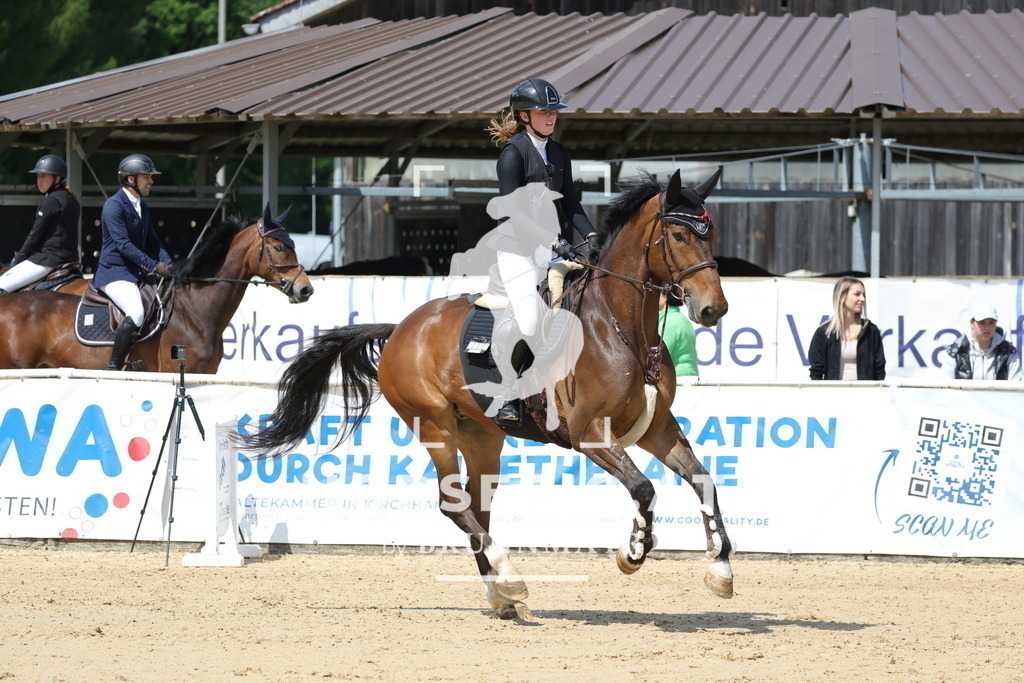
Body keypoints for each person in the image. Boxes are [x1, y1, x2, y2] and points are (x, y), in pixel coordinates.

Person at [483, 77, 598, 425]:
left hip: (551, 250)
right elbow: (511, 212)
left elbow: (571, 201)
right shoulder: (512, 154)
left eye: (554, 112)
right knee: (531, 317)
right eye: (543, 112)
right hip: (516, 251)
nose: (551, 117)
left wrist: (592, 235)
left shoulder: (560, 152)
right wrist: (553, 241)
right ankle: (505, 391)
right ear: (523, 116)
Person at [94, 154, 174, 371]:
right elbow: (123, 245)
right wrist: (154, 266)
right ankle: (113, 365)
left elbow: (153, 242)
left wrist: (169, 264)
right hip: (114, 273)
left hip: (135, 273)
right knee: (136, 312)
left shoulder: (142, 207)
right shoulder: (113, 205)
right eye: (147, 177)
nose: (151, 181)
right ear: (131, 180)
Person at [0, 155, 80, 294]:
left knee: (2, 284)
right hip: (70, 259)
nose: (39, 180)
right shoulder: (71, 199)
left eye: (43, 176)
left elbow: (35, 236)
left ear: (57, 178)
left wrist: (17, 259)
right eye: (38, 176)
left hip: (48, 260)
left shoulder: (51, 201)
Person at [808, 277, 886, 380]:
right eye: (857, 294)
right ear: (842, 297)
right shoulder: (824, 332)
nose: (862, 299)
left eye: (863, 295)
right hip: (834, 393)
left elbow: (879, 368)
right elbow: (816, 372)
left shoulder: (871, 331)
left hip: (866, 394)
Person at [941, 303, 1021, 380]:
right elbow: (946, 388)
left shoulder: (1009, 352)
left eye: (991, 322)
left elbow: (1014, 389)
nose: (987, 327)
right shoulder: (956, 352)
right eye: (982, 322)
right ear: (971, 323)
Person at [659, 291, 698, 377]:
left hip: (677, 378)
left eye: (657, 292)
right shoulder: (681, 318)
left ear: (665, 297)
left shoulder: (668, 322)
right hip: (689, 375)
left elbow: (660, 357)